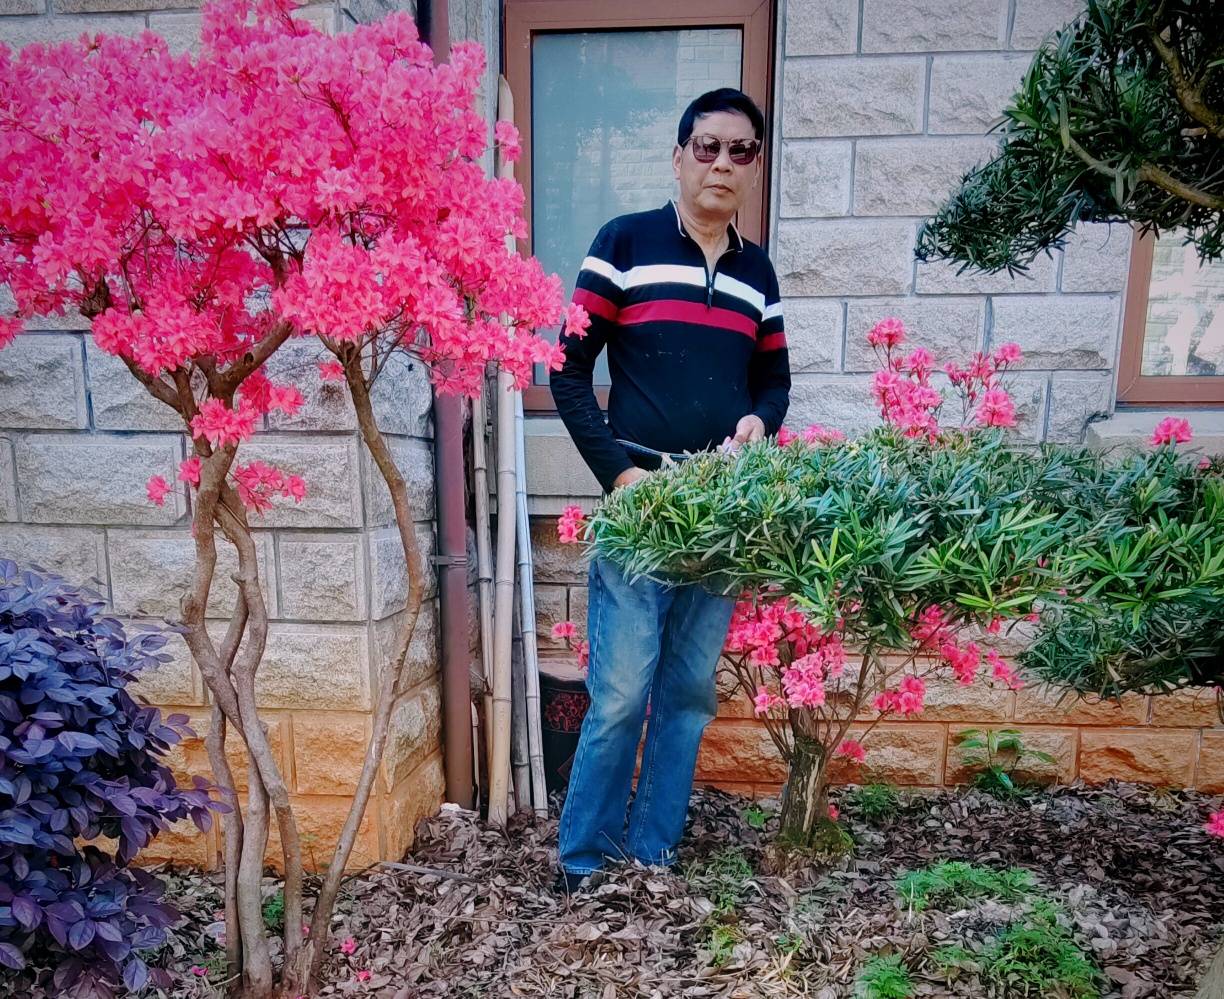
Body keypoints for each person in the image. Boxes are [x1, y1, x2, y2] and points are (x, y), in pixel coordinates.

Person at [550, 87, 791, 891]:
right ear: (679, 156)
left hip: (720, 509)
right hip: (641, 501)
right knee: (621, 693)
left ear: (753, 166)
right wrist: (618, 475)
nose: (722, 163)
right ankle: (584, 863)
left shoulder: (758, 270)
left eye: (740, 150)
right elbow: (567, 371)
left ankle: (651, 853)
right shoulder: (625, 242)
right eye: (707, 146)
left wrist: (760, 419)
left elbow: (774, 379)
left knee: (687, 694)